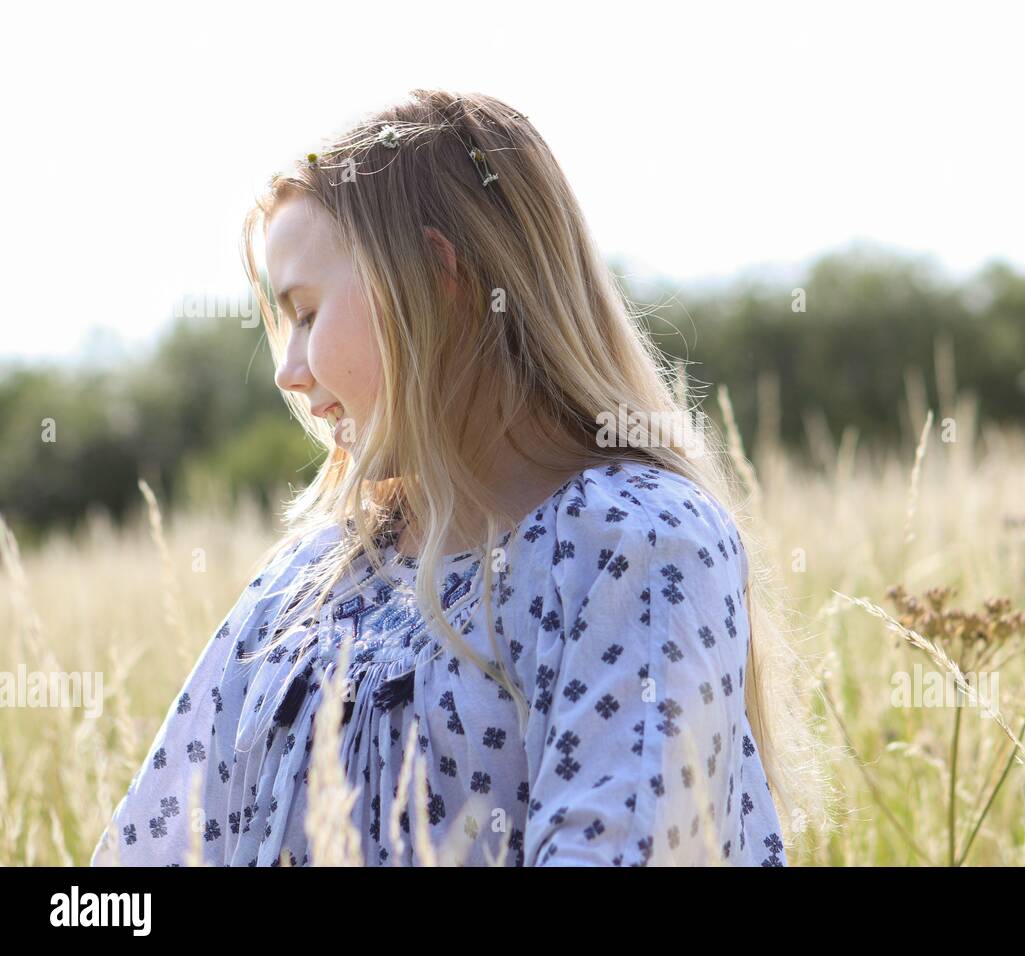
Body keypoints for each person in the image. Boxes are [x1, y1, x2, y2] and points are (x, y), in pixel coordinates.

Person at [91, 90, 830, 866]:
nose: (287, 372)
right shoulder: (308, 581)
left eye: (306, 313)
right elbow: (137, 864)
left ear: (441, 280)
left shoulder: (633, 544)